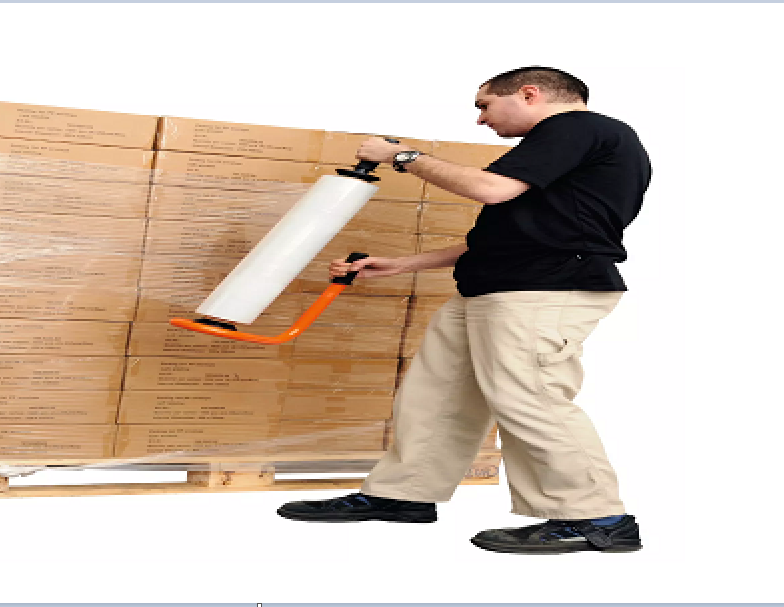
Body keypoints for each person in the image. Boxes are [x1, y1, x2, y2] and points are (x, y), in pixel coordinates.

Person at [276, 66, 652, 555]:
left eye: (484, 105)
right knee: (437, 395)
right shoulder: (571, 143)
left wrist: (402, 156)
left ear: (529, 94)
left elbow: (492, 190)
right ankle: (403, 494)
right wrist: (402, 264)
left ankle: (595, 518)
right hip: (496, 286)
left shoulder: (578, 128)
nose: (481, 119)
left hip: (543, 289)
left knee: (532, 398)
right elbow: (516, 233)